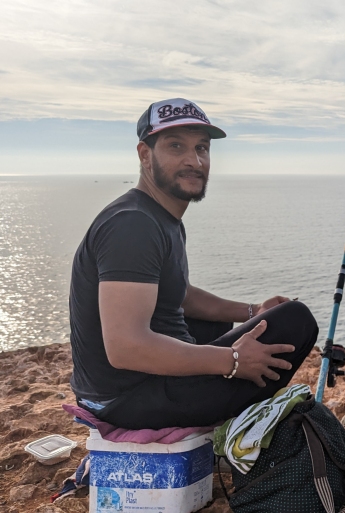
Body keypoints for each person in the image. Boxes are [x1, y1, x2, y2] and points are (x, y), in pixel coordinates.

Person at [69, 98, 318, 430]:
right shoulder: (132, 225)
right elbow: (125, 348)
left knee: (220, 324)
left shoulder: (159, 217)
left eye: (202, 148)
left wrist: (251, 310)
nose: (194, 160)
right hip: (125, 400)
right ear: (145, 154)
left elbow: (178, 294)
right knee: (296, 320)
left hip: (127, 388)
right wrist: (231, 361)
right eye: (176, 146)